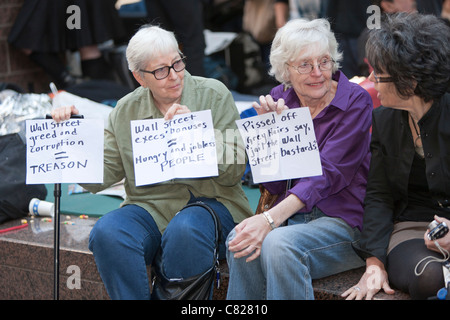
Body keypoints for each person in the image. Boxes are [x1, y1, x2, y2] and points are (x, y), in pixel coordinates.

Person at [51, 24, 253, 300]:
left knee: (186, 227)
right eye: (160, 70)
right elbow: (100, 178)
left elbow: (234, 170)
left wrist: (197, 135)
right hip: (151, 209)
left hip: (213, 205)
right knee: (108, 231)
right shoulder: (125, 110)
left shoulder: (213, 94)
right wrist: (73, 138)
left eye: (177, 63)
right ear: (139, 77)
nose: (174, 76)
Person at [226, 18, 373, 300]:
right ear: (286, 70)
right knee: (238, 240)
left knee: (279, 245)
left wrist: (269, 220)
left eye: (324, 61)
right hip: (291, 219)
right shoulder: (279, 98)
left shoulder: (355, 100)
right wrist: (269, 137)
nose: (318, 73)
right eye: (304, 64)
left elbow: (328, 174)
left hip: (343, 221)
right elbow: (276, 186)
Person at [342, 13, 450, 300]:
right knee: (432, 277)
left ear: (410, 81)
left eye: (378, 73)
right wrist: (374, 263)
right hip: (412, 228)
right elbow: (379, 194)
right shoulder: (385, 119)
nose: (371, 79)